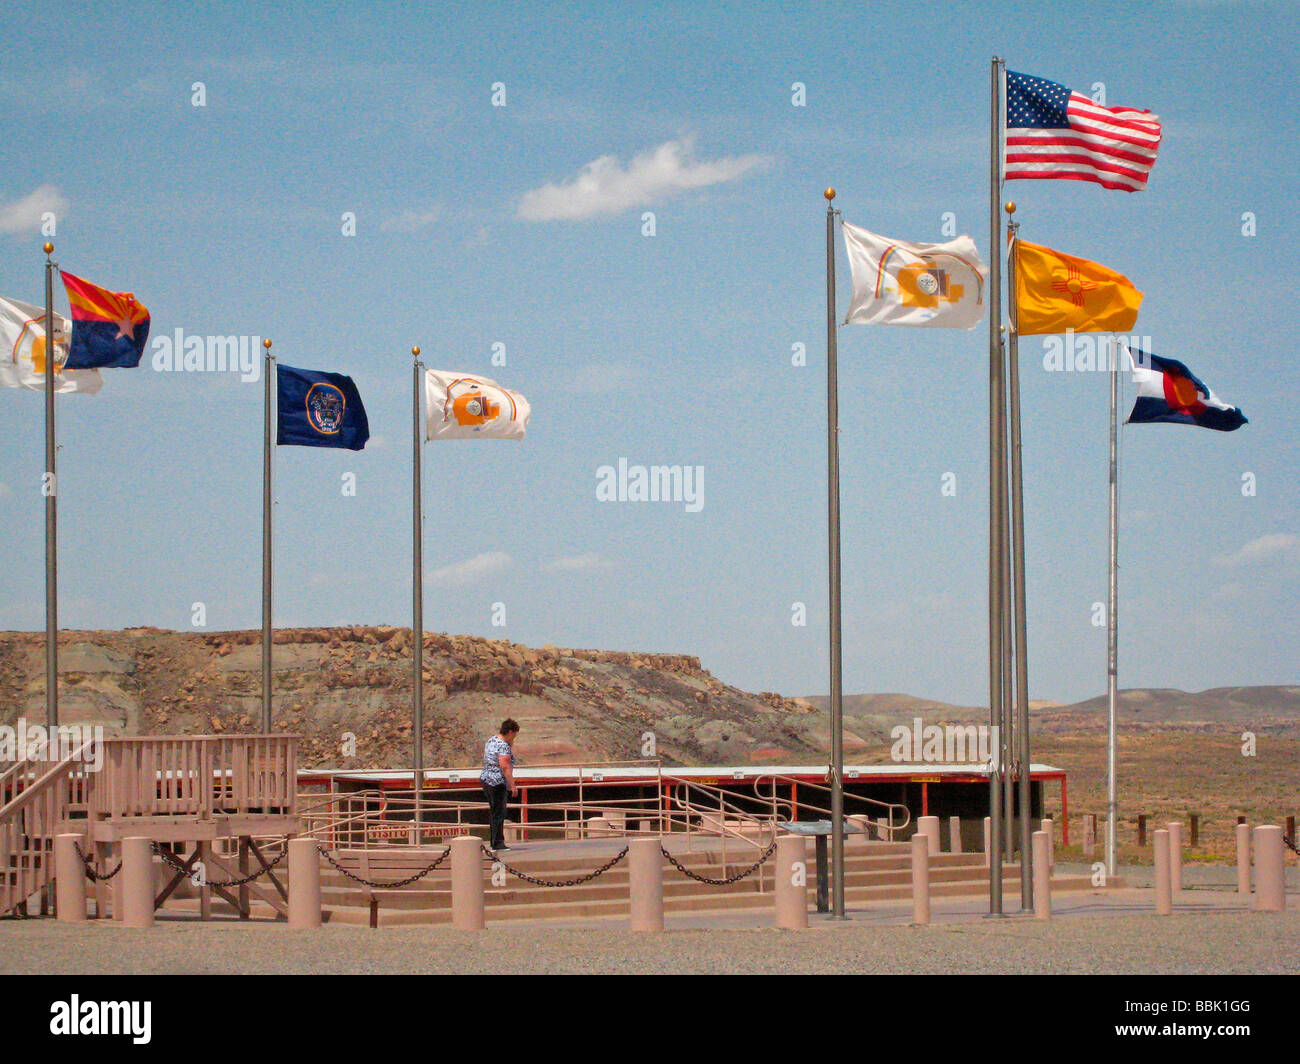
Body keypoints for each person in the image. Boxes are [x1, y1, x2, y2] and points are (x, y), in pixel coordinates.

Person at [480, 719, 519, 850]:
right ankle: (497, 843)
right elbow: (505, 766)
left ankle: (495, 840)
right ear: (509, 732)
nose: (514, 738)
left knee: (494, 812)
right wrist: (512, 785)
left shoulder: (492, 740)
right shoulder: (503, 746)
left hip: (486, 779)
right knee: (499, 813)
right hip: (497, 782)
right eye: (514, 734)